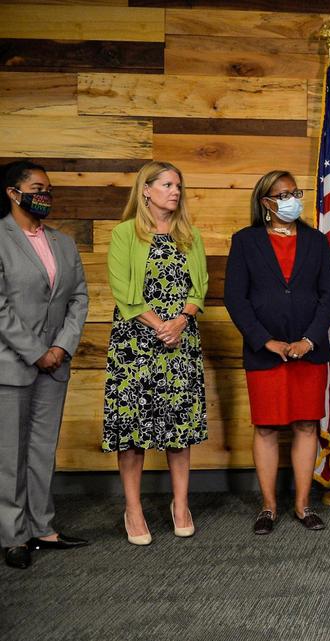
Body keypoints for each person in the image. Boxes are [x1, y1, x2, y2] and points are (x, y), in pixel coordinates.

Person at [224, 170, 330, 534]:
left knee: (307, 424)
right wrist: (263, 339)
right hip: (265, 352)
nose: (292, 199)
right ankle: (269, 507)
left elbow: (329, 296)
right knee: (268, 427)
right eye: (283, 194)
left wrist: (310, 339)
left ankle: (304, 506)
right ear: (265, 203)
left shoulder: (316, 241)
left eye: (295, 192)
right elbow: (235, 298)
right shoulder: (245, 241)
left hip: (309, 350)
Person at [103, 161, 207, 545]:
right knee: (133, 432)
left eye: (178, 185)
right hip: (136, 346)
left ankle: (180, 505)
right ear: (146, 190)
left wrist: (180, 321)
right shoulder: (124, 234)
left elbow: (200, 288)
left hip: (180, 345)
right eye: (166, 184)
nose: (175, 191)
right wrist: (160, 325)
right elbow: (123, 291)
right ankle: (133, 508)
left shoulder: (189, 235)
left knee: (179, 430)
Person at [0, 161, 89, 569]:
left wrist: (61, 347)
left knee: (41, 449)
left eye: (49, 189)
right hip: (13, 363)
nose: (46, 195)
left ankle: (42, 527)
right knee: (10, 453)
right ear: (13, 193)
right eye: (38, 188)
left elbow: (78, 299)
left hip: (55, 363)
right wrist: (36, 350)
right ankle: (13, 535)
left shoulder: (63, 243)